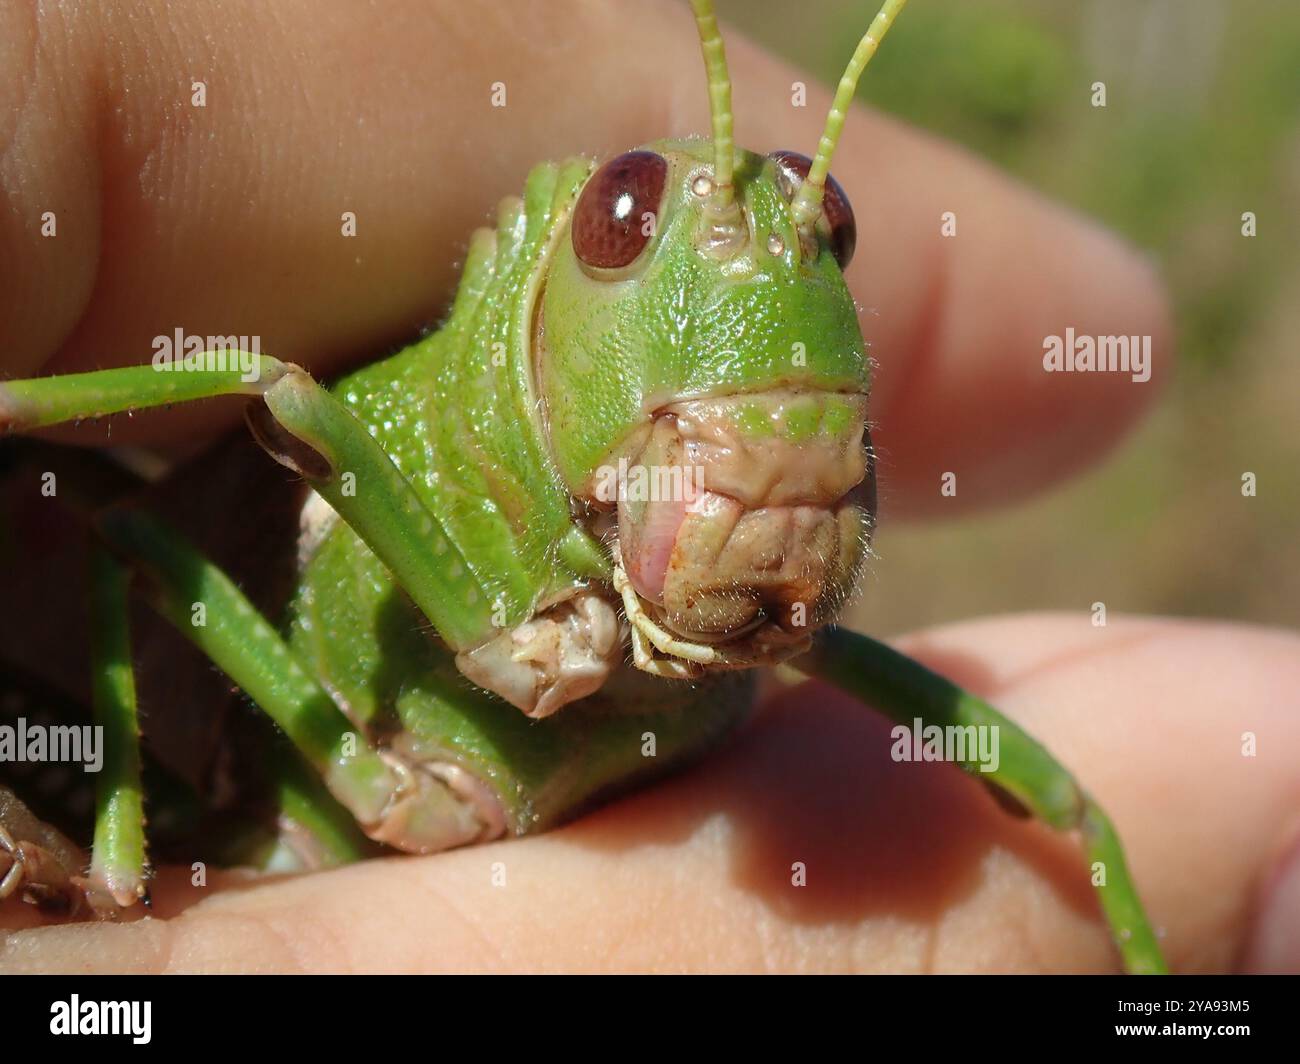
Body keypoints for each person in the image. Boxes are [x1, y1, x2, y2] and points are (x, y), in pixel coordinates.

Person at [0, 0, 1294, 973]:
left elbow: (1064, 803)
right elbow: (168, 511)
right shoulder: (406, 431)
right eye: (630, 221)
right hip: (226, 781)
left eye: (824, 225)